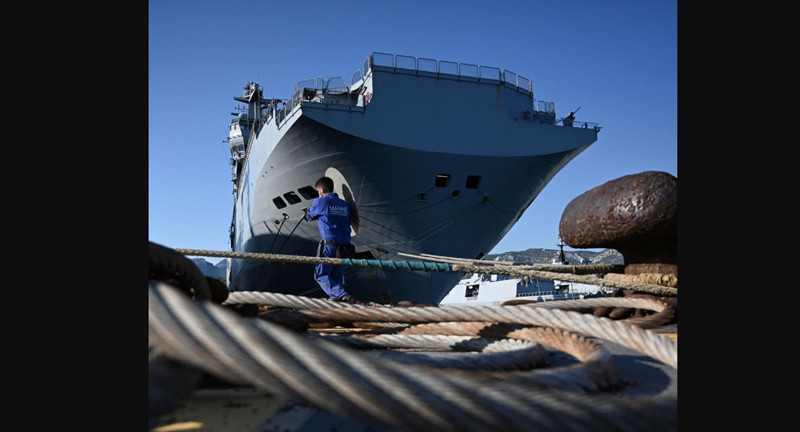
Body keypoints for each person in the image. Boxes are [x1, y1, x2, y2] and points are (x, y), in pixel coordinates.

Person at [304, 176, 355, 301]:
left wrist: (306, 214)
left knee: (321, 274)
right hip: (346, 248)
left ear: (321, 190)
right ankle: (337, 299)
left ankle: (341, 295)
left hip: (330, 246)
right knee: (337, 276)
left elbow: (309, 216)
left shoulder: (321, 202)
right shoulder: (345, 205)